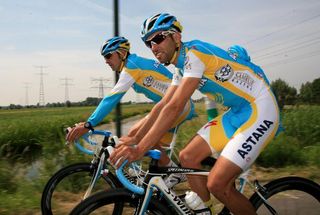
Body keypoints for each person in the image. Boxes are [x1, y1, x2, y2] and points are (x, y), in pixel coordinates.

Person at [110, 13, 280, 215]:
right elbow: (164, 105)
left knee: (217, 184)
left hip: (260, 108)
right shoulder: (179, 68)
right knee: (187, 156)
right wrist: (135, 138)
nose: (153, 47)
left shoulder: (194, 54)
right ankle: (204, 211)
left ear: (176, 37)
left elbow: (175, 109)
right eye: (148, 43)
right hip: (237, 112)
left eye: (158, 38)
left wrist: (139, 150)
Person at [66, 36, 195, 177]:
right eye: (104, 57)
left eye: (109, 56)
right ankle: (166, 178)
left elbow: (112, 98)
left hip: (178, 105)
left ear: (121, 53)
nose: (106, 61)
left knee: (136, 135)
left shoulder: (132, 66)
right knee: (151, 147)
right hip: (174, 105)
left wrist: (89, 124)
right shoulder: (133, 64)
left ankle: (174, 174)